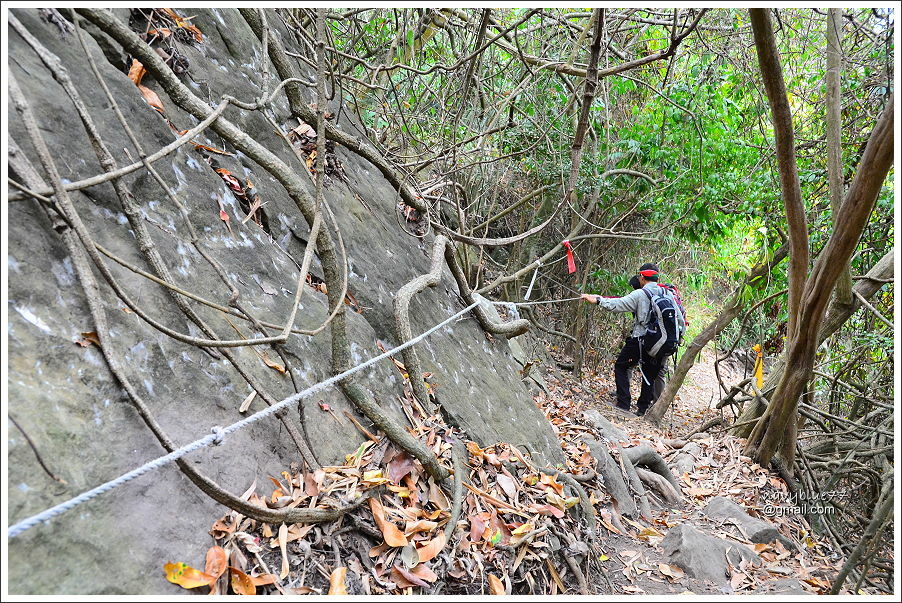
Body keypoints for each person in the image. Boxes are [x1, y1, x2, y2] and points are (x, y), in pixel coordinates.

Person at [580, 263, 685, 416]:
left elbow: (618, 304)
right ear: (657, 277)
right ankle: (642, 410)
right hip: (661, 341)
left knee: (621, 366)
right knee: (649, 375)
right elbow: (679, 319)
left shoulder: (640, 294)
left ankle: (623, 404)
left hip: (640, 339)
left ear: (642, 277)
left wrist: (597, 300)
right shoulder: (668, 293)